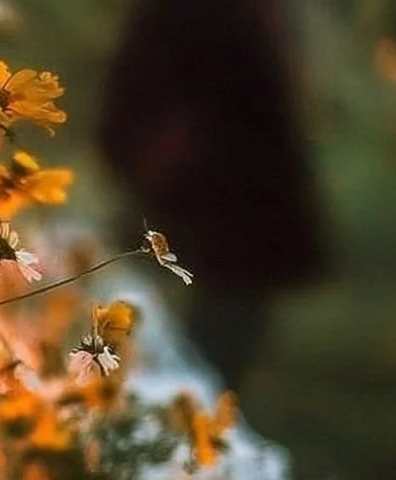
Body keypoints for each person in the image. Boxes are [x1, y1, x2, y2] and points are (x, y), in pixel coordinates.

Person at [97, 0, 331, 389]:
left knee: (218, 333)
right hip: (195, 185)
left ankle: (190, 413)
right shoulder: (191, 19)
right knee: (145, 315)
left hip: (237, 198)